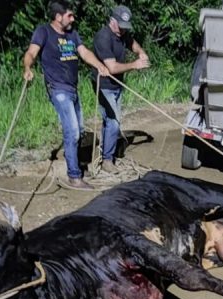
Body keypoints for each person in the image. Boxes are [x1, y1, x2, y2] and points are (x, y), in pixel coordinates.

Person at [22, 1, 110, 189]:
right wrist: (28, 68)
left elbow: (84, 53)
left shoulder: (72, 34)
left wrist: (99, 65)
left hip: (72, 89)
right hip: (57, 88)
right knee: (72, 131)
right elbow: (31, 52)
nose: (73, 18)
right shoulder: (43, 31)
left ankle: (75, 164)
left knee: (79, 129)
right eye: (69, 15)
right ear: (58, 17)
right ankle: (74, 176)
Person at [91, 5, 150, 173]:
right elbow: (112, 68)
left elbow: (133, 43)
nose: (124, 30)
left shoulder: (122, 34)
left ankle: (106, 151)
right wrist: (135, 65)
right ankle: (107, 161)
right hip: (103, 84)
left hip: (117, 85)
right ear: (113, 21)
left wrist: (141, 53)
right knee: (113, 122)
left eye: (126, 27)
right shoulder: (103, 37)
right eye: (121, 26)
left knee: (110, 121)